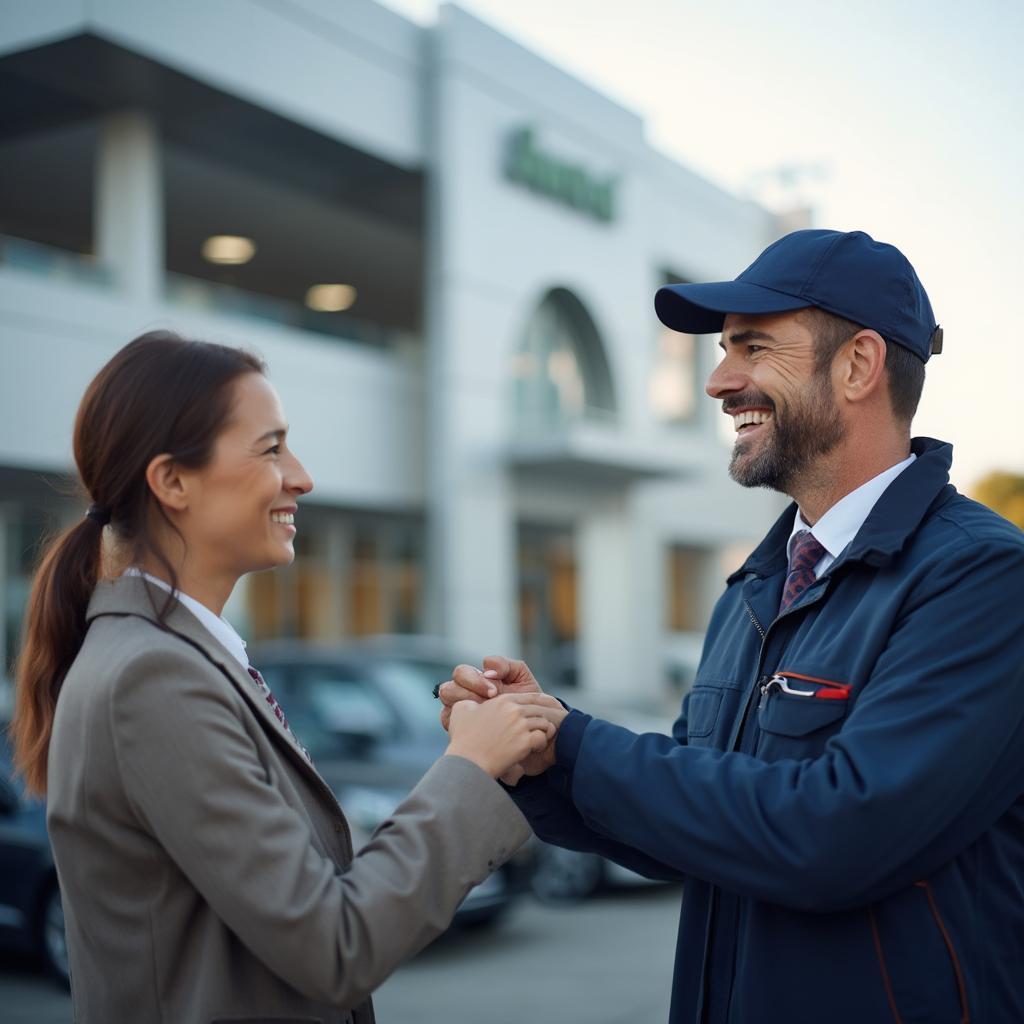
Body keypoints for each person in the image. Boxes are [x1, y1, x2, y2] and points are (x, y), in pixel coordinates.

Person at [440, 229, 1024, 1023]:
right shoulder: (759, 586)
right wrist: (541, 759)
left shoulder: (982, 579)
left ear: (857, 365)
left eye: (752, 347)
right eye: (723, 350)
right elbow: (692, 823)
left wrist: (576, 740)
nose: (719, 381)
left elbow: (837, 835)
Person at [10, 330, 564, 1024]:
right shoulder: (151, 678)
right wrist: (470, 768)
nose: (301, 477)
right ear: (172, 481)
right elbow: (335, 945)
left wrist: (493, 760)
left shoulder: (174, 658)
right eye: (271, 449)